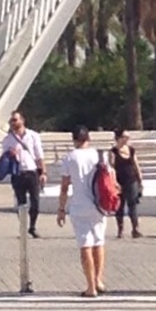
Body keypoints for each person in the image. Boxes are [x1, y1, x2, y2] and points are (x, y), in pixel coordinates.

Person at [56, 126, 107, 296]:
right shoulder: (99, 155)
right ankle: (99, 280)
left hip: (79, 206)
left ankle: (90, 287)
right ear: (89, 138)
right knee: (99, 242)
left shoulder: (69, 158)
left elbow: (65, 187)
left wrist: (61, 208)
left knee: (85, 245)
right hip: (99, 205)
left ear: (74, 140)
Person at [0, 112, 46, 237]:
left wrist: (43, 172)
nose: (13, 123)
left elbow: (39, 156)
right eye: (11, 121)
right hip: (18, 174)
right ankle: (23, 227)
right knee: (21, 203)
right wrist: (10, 155)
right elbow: (4, 158)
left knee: (35, 201)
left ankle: (32, 226)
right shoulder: (7, 140)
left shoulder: (33, 136)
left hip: (32, 172)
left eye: (15, 120)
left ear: (22, 120)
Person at [111, 128, 143, 238]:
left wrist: (140, 179)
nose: (127, 139)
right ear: (118, 138)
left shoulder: (131, 150)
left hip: (131, 180)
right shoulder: (113, 152)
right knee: (119, 206)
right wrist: (114, 182)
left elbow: (136, 164)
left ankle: (135, 229)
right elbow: (112, 168)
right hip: (119, 182)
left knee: (133, 204)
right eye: (125, 137)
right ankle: (120, 229)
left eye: (128, 137)